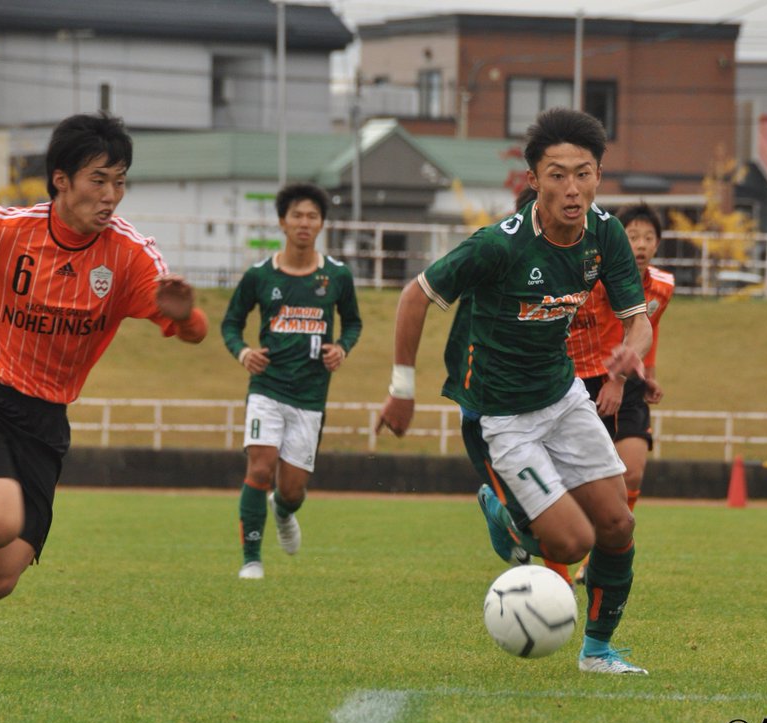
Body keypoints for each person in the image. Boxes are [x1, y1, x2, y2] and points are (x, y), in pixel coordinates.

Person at [0, 111, 208, 634]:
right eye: (98, 180)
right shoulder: (7, 232)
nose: (111, 195)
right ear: (61, 180)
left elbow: (193, 331)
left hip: (46, 425)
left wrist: (184, 316)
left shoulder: (130, 257)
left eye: (120, 182)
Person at [378, 108, 653, 675]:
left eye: (583, 173)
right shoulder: (498, 246)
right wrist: (401, 389)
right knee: (571, 544)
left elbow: (638, 317)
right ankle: (509, 522)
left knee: (619, 524)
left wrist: (632, 348)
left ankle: (598, 651)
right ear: (533, 180)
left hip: (562, 394)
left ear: (599, 175)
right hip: (499, 415)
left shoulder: (606, 234)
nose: (571, 189)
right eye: (557, 174)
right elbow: (414, 296)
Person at [220, 183, 362, 579]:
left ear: (321, 224)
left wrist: (342, 348)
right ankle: (251, 559)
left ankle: (282, 511)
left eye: (312, 216)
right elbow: (231, 322)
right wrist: (244, 351)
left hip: (311, 396)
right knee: (260, 468)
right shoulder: (259, 276)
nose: (304, 222)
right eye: (297, 215)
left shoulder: (336, 276)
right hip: (267, 388)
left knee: (291, 490)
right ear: (282, 221)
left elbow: (353, 322)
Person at [558, 202, 673, 587]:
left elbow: (647, 329)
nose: (640, 245)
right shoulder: (600, 280)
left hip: (628, 378)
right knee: (596, 478)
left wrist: (646, 374)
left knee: (634, 470)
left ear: (658, 243)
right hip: (592, 379)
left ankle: (609, 551)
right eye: (632, 236)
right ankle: (574, 553)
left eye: (648, 237)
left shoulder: (663, 285)